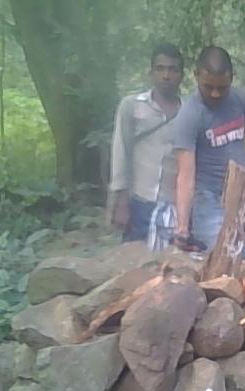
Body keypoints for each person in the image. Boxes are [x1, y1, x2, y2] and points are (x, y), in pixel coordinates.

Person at [172, 46, 245, 260]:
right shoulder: (189, 115)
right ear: (196, 75)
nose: (215, 93)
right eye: (208, 87)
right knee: (220, 262)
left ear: (232, 78)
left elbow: (243, 137)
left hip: (244, 196)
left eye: (222, 88)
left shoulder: (240, 100)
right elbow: (185, 175)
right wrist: (182, 226)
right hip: (210, 200)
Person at [108, 43, 184, 242]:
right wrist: (121, 202)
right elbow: (120, 153)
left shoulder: (188, 113)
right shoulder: (131, 106)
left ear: (181, 75)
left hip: (173, 207)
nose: (166, 75)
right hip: (138, 203)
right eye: (160, 69)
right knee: (133, 258)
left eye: (173, 69)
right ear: (151, 73)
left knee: (169, 261)